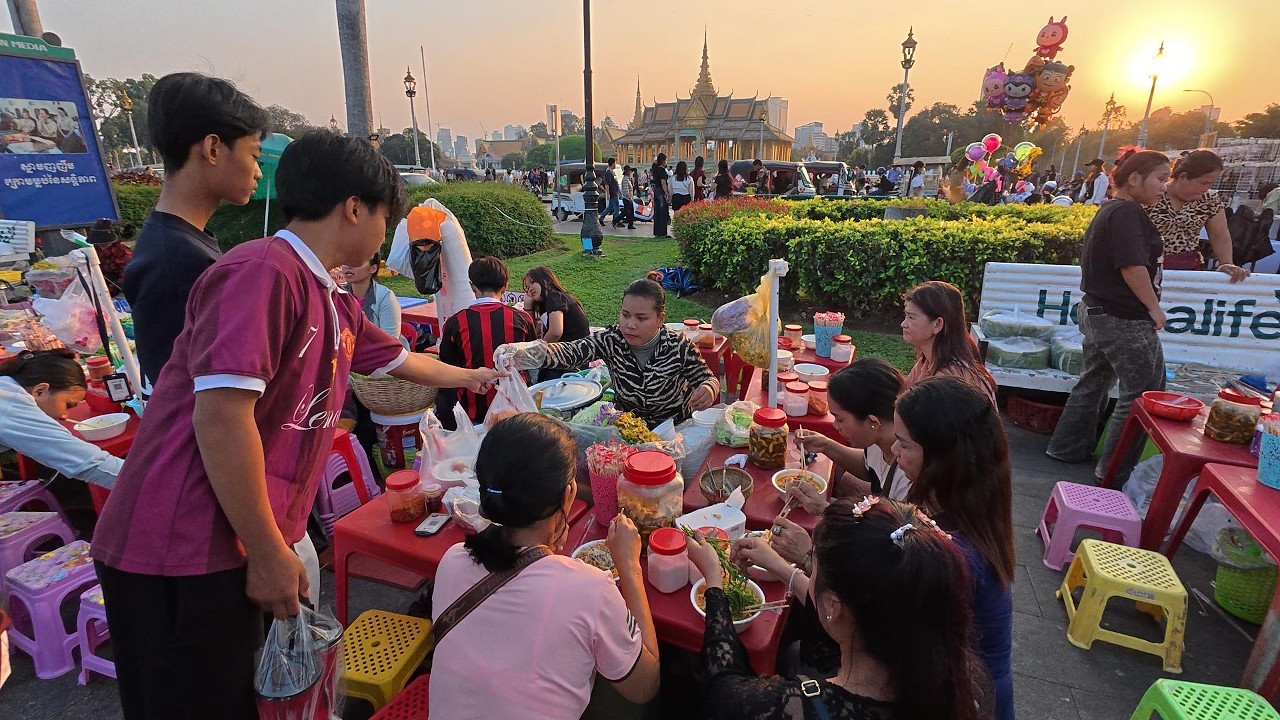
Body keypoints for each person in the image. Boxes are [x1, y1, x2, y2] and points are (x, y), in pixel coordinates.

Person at [93, 131, 505, 720]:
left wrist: (470, 376)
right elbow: (222, 414)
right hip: (178, 548)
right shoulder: (262, 273)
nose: (385, 234)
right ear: (354, 207)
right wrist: (266, 550)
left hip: (238, 538)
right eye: (385, 216)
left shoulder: (329, 293)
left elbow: (394, 358)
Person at [430, 414, 660, 718]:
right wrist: (629, 565)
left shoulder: (452, 561)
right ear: (568, 495)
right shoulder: (590, 589)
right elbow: (644, 686)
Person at [692, 496, 991, 720]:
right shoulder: (966, 682)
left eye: (813, 564)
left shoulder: (793, 706)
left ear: (834, 607)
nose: (809, 569)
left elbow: (724, 689)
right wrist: (784, 567)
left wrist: (715, 583)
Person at [121, 73, 270, 397]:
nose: (258, 171)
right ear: (213, 149)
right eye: (254, 156)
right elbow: (201, 398)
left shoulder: (178, 241)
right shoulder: (180, 260)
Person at [1047, 150, 1173, 483]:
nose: (1165, 186)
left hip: (1099, 311)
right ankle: (1115, 473)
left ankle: (1066, 449)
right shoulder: (1127, 212)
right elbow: (1132, 266)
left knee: (1095, 381)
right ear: (1135, 178)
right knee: (1144, 393)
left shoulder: (1114, 210)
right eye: (1161, 178)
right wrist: (1154, 308)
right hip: (1122, 317)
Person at [894, 377, 1014, 720]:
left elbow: (877, 624)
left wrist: (799, 568)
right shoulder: (972, 511)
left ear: (942, 459)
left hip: (960, 701)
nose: (894, 452)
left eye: (904, 444)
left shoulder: (951, 553)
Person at [497, 272, 718, 427]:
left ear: (660, 319)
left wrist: (708, 389)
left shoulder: (678, 345)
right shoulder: (612, 339)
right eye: (625, 315)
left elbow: (707, 378)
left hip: (674, 427)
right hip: (629, 426)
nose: (630, 324)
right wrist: (522, 353)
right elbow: (571, 351)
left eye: (641, 318)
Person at [438, 257, 537, 429]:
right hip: (517, 408)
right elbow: (532, 359)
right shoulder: (522, 318)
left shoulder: (455, 323)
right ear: (504, 287)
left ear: (472, 286)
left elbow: (447, 365)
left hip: (473, 413)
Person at [0, 349, 122, 489]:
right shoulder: (11, 405)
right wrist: (150, 479)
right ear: (40, 390)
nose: (64, 416)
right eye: (67, 405)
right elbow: (88, 463)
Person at [1146, 150, 1249, 280]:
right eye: (1203, 183)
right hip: (1149, 269)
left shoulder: (1209, 198)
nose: (1206, 188)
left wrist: (1226, 263)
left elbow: (1219, 235)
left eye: (1211, 184)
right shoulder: (1153, 195)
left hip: (1189, 270)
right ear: (1182, 177)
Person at [900, 280, 997, 403]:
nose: (903, 324)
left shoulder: (949, 380)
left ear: (937, 324)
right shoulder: (928, 361)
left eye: (911, 317)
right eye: (906, 316)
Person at [342, 250, 404, 346]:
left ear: (373, 268)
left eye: (357, 262)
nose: (348, 266)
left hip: (379, 356)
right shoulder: (339, 295)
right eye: (346, 261)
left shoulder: (386, 298)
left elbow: (390, 344)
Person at [522, 266, 589, 345]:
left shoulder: (555, 297)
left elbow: (555, 332)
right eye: (527, 287)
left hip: (576, 350)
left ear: (547, 281)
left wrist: (538, 349)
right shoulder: (546, 303)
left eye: (533, 282)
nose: (530, 289)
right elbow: (534, 332)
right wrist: (528, 306)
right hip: (574, 348)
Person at [651, 153, 671, 237]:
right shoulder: (662, 170)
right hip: (661, 191)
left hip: (656, 191)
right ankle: (663, 232)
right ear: (663, 161)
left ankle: (657, 232)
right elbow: (663, 182)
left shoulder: (656, 170)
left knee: (657, 211)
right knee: (663, 211)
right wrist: (666, 192)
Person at [604, 157, 622, 227]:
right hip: (613, 192)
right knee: (616, 207)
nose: (616, 165)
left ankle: (601, 217)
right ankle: (616, 221)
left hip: (615, 191)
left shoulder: (612, 172)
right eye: (615, 163)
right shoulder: (608, 173)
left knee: (610, 207)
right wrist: (608, 193)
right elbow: (607, 184)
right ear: (613, 163)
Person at [619, 165, 637, 229]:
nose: (631, 172)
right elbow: (626, 190)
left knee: (629, 212)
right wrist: (630, 197)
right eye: (630, 171)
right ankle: (616, 220)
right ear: (627, 172)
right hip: (627, 198)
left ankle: (630, 224)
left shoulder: (627, 179)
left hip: (628, 198)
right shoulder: (625, 179)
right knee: (627, 212)